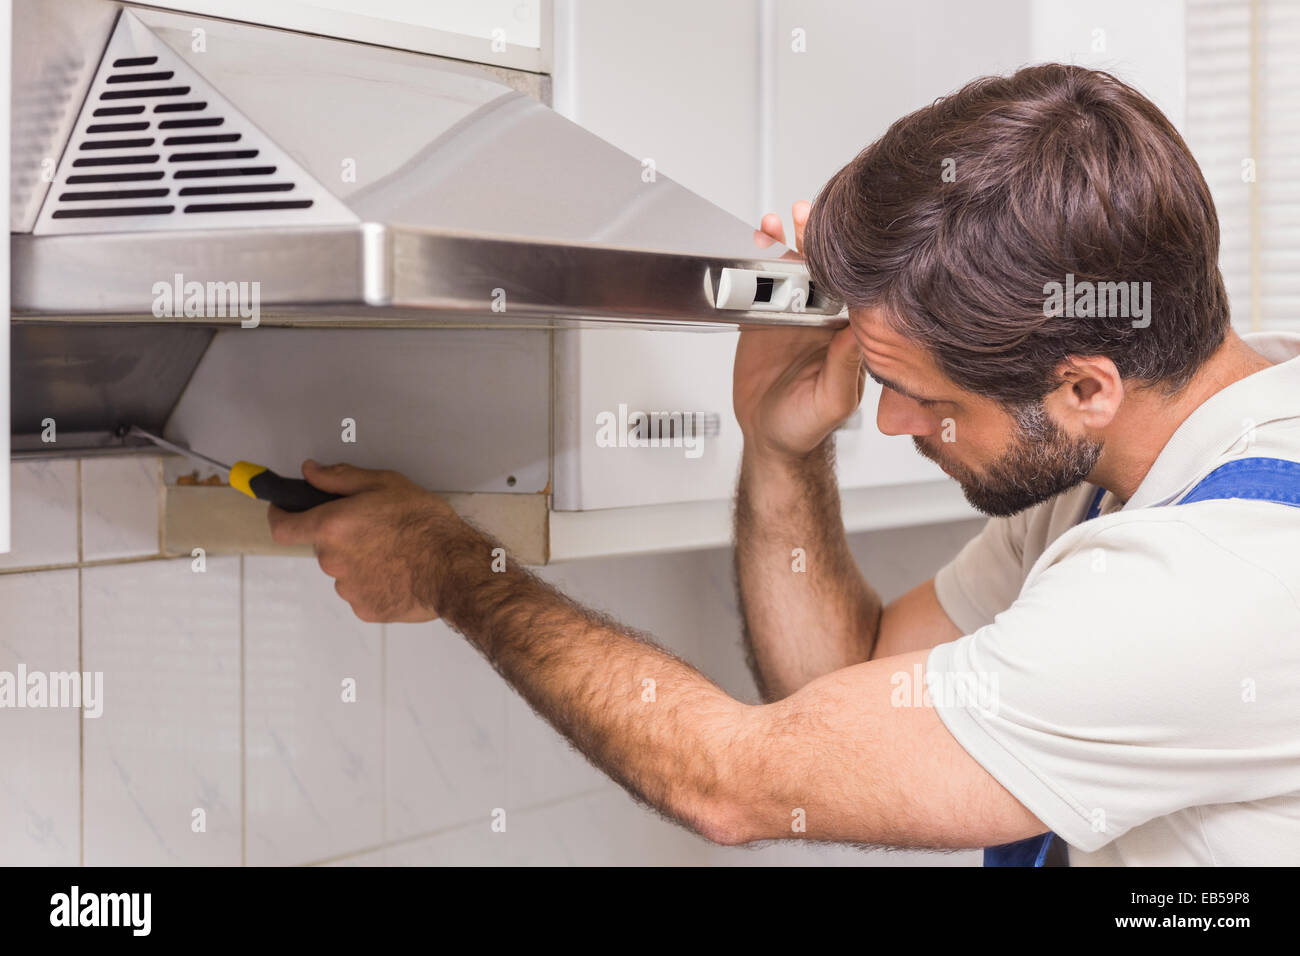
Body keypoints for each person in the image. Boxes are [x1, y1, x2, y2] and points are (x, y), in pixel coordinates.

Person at [267, 64, 1300, 865]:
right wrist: (780, 440)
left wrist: (454, 569)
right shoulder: (1152, 452)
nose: (889, 422)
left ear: (1083, 388)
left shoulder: (1211, 580)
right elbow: (848, 680)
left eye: (930, 398)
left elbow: (730, 779)